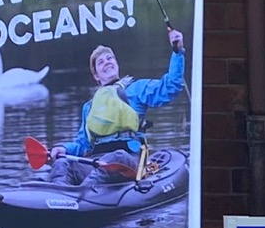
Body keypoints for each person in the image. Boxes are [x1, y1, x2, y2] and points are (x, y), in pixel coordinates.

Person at [58, 29, 187, 165]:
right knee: (62, 164)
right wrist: (63, 149)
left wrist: (177, 52)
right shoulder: (89, 107)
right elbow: (83, 144)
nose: (107, 62)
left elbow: (170, 87)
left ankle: (90, 184)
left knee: (117, 157)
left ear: (116, 64)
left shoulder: (137, 89)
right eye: (101, 62)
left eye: (110, 58)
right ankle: (61, 185)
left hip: (127, 157)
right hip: (98, 161)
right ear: (96, 75)